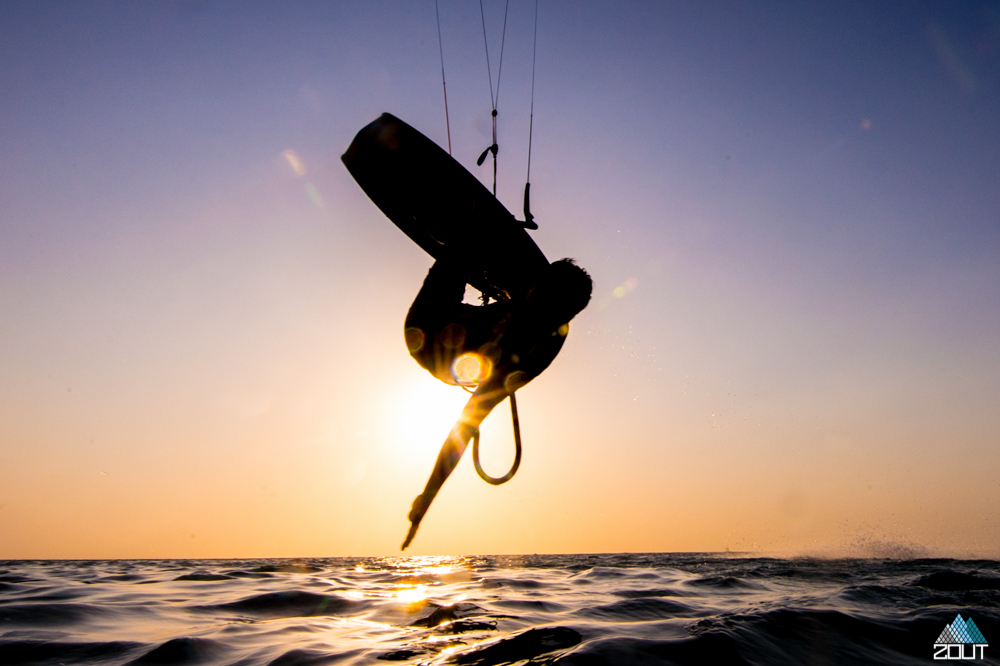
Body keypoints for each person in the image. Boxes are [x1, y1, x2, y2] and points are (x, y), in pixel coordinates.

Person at [401, 256, 592, 549]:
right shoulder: (549, 313)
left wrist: (427, 497)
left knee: (457, 256)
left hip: (426, 333)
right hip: (460, 320)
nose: (535, 301)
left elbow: (465, 427)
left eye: (543, 302)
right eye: (536, 293)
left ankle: (463, 236)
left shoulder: (520, 359)